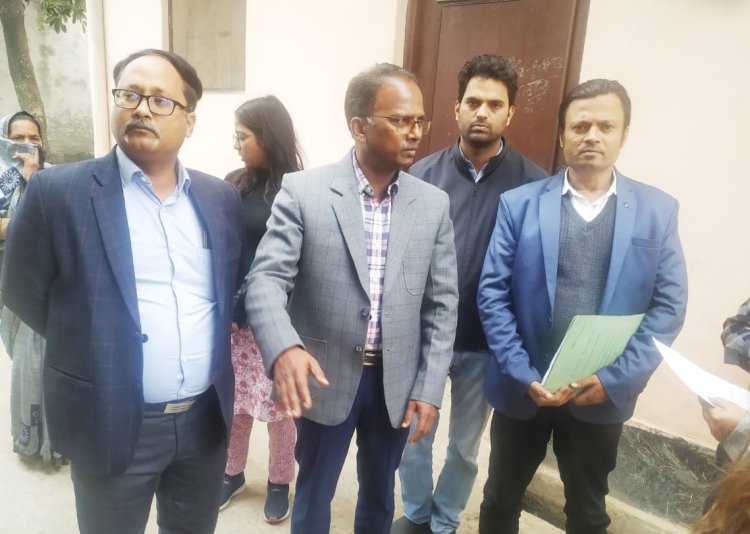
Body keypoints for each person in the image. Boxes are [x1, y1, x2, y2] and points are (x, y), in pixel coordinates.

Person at [2, 49, 245, 534]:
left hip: (204, 421)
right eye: (129, 95)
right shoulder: (58, 193)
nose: (141, 109)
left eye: (160, 100)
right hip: (109, 419)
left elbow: (226, 287)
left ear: (189, 120)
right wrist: (94, 339)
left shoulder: (219, 198)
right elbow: (21, 289)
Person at [245, 63, 459, 533]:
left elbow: (443, 306)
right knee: (314, 494)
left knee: (380, 495)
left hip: (396, 381)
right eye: (400, 120)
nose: (415, 132)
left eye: (419, 120)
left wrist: (429, 387)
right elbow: (265, 280)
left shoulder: (432, 204)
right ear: (359, 127)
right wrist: (284, 348)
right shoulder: (304, 192)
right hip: (324, 376)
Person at [477, 79, 688, 534]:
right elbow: (492, 294)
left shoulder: (657, 211)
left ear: (624, 134)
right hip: (524, 388)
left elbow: (669, 307)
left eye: (605, 126)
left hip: (599, 394)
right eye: (580, 126)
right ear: (562, 135)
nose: (592, 135)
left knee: (588, 511)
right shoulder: (519, 205)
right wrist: (522, 372)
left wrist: (614, 380)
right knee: (500, 499)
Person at [394, 54, 546, 534]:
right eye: (473, 101)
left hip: (486, 342)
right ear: (456, 108)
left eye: (494, 104)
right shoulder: (420, 176)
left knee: (464, 445)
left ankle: (445, 520)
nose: (482, 112)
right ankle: (416, 513)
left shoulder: (534, 185)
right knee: (414, 437)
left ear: (510, 113)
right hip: (424, 337)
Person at [219, 95, 302, 523]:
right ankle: (231, 473)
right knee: (235, 403)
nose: (236, 144)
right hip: (234, 320)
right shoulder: (233, 183)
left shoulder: (300, 188)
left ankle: (279, 481)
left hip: (277, 320)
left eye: (242, 136)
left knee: (279, 409)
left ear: (267, 137)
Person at [0, 111, 60, 466]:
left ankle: (55, 441)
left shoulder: (55, 177)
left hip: (49, 286)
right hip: (10, 285)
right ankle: (30, 437)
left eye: (33, 137)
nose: (26, 144)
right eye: (17, 137)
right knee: (24, 362)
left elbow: (59, 227)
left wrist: (34, 179)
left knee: (49, 361)